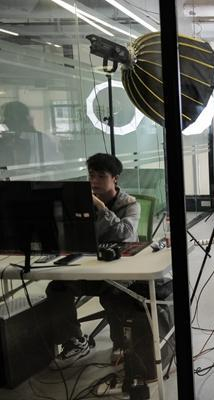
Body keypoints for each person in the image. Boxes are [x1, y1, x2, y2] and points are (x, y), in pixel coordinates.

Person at [45, 153, 141, 368]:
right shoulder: (80, 203)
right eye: (91, 176)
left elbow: (125, 234)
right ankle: (75, 341)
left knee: (116, 293)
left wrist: (101, 208)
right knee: (57, 288)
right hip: (86, 269)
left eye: (101, 176)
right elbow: (69, 234)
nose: (94, 181)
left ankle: (120, 344)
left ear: (115, 178)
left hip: (116, 273)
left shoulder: (130, 204)